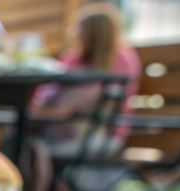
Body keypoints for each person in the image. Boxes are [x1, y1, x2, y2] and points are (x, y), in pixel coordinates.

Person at [31, 3, 141, 158]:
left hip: (93, 132)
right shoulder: (73, 58)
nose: (74, 33)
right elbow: (46, 92)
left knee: (30, 145)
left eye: (79, 29)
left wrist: (42, 110)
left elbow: (62, 109)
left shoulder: (118, 62)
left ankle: (58, 181)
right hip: (57, 127)